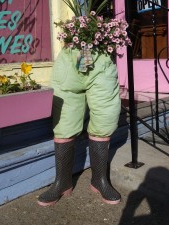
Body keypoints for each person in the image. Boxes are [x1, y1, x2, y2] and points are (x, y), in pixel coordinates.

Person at [36, 47, 122, 206]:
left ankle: (99, 180)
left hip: (100, 59)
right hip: (70, 57)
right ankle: (62, 183)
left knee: (104, 119)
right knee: (64, 122)